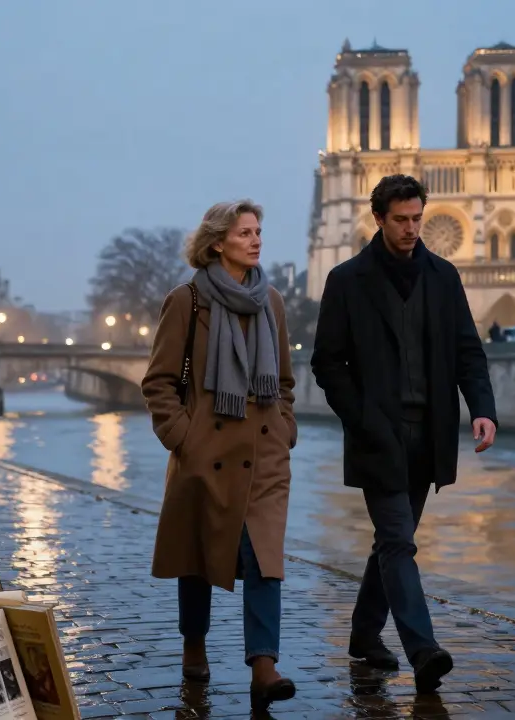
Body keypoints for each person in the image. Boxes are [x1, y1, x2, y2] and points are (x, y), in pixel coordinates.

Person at [311, 174, 498, 693]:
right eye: (402, 220)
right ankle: (424, 650)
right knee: (398, 543)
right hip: (379, 435)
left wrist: (482, 409)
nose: (413, 228)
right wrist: (362, 417)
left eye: (418, 218)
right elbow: (327, 363)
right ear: (379, 219)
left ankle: (364, 633)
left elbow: (468, 351)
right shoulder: (347, 280)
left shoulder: (444, 277)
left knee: (394, 542)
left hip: (431, 434)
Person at [140, 199, 298, 713]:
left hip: (265, 450)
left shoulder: (271, 300)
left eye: (258, 232)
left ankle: (264, 666)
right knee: (198, 557)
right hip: (206, 449)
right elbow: (159, 382)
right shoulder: (187, 301)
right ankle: (195, 643)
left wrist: (286, 428)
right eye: (244, 233)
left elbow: (287, 381)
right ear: (216, 243)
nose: (255, 240)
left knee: (264, 557)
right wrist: (184, 438)